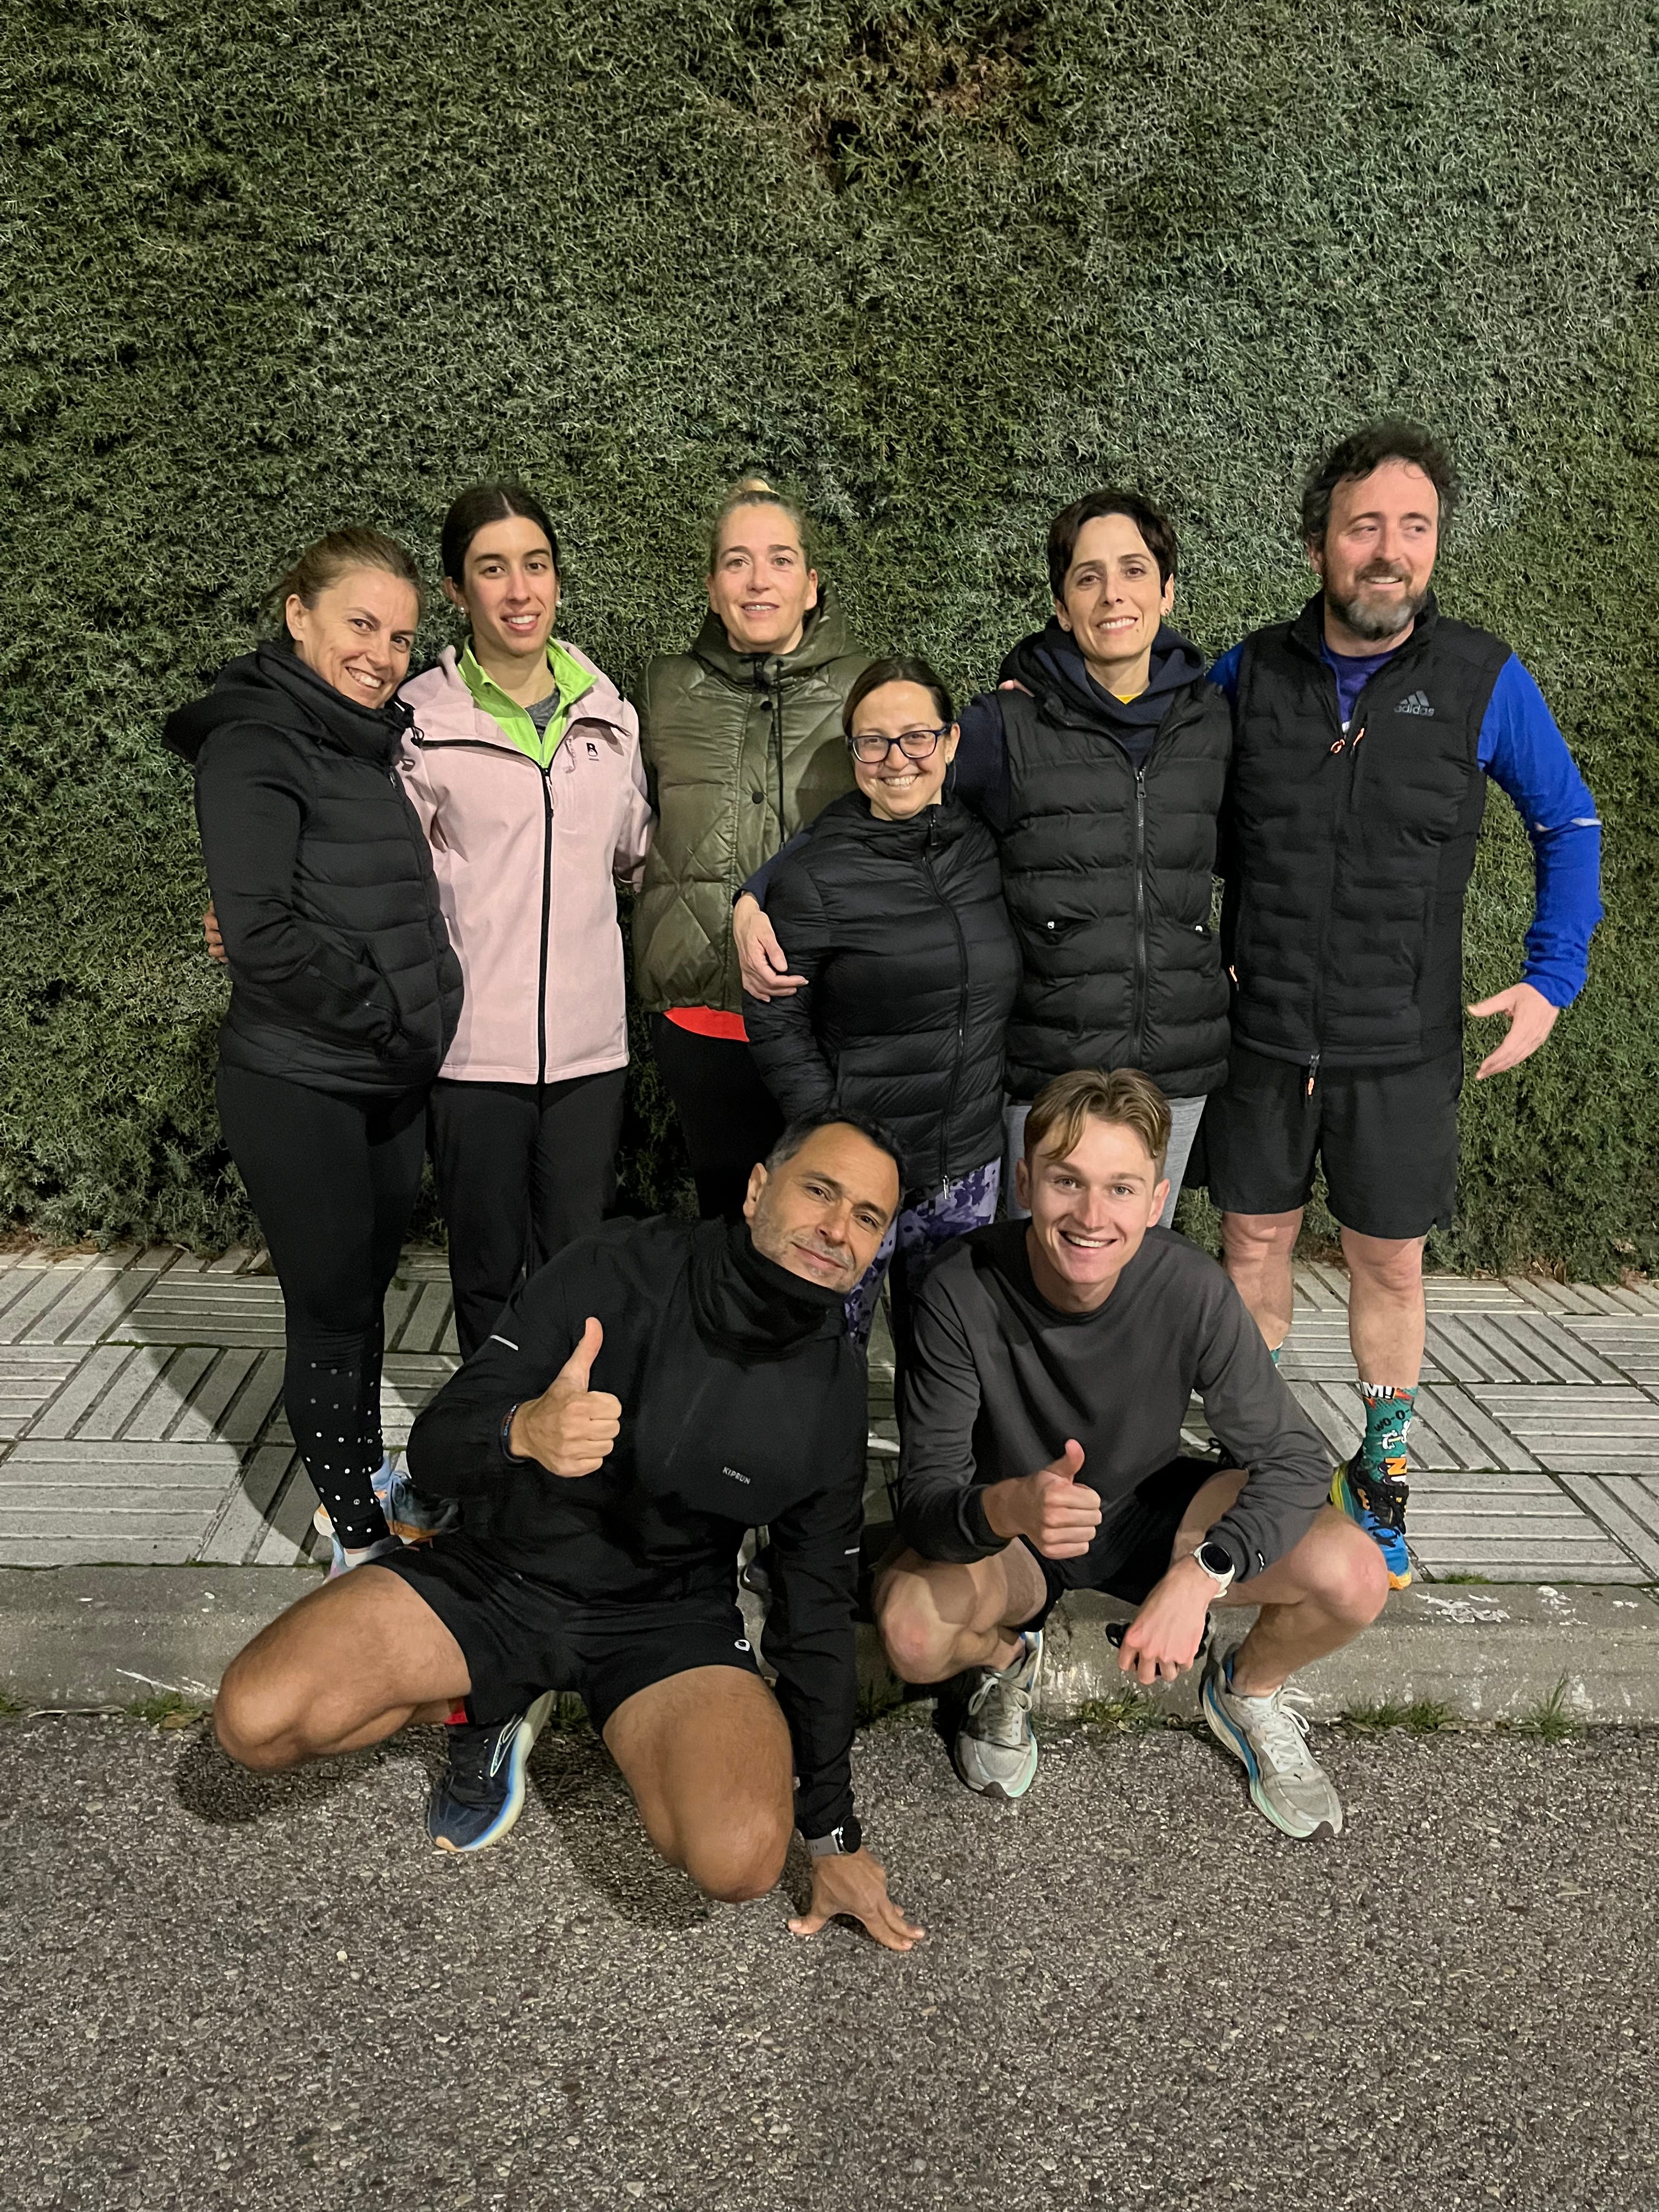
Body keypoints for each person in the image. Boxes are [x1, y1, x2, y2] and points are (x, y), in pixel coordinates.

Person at [212, 1113, 926, 1951]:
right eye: (820, 1191)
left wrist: (832, 1834)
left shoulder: (834, 1391)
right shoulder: (617, 1265)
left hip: (665, 1623)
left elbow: (817, 1609)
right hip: (500, 1577)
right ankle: (489, 1702)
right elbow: (437, 1447)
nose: (837, 1229)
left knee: (742, 1860)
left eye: (867, 1217)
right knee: (255, 1721)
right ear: (758, 1189)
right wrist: (521, 1430)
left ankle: (544, 1703)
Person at [1205, 422, 1603, 1589]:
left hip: (1400, 1044)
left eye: (1413, 527)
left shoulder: (1483, 677)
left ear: (1435, 544)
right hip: (1260, 1037)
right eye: (1363, 526)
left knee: (1388, 1264)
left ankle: (1379, 1478)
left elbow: (1568, 822)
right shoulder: (1248, 672)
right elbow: (1145, 777)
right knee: (1251, 1246)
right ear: (1318, 542)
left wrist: (1552, 977)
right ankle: (1254, 1461)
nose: (1388, 550)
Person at [875, 1068, 1389, 1840]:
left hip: (1154, 1508)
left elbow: (1293, 1459)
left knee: (1357, 1575)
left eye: (1120, 1189)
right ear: (1024, 1182)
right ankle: (1007, 1660)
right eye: (1067, 1182)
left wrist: (1204, 1573)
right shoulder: (959, 1288)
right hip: (1018, 1530)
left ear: (1156, 1200)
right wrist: (1010, 1504)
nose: (1092, 1216)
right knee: (911, 1634)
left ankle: (1248, 1690)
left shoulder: (1191, 1287)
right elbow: (925, 1501)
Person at [736, 489, 1231, 1229]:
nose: (1113, 594)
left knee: (1136, 1267)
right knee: (1031, 1273)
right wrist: (755, 891)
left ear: (1167, 591)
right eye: (1088, 577)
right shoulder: (1005, 726)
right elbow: (891, 792)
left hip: (1176, 1066)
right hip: (1048, 1067)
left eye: (1134, 570)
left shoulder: (1211, 720)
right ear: (1061, 606)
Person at [165, 530, 464, 1575]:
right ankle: (355, 1536)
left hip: (381, 1078)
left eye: (401, 636)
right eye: (360, 625)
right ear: (298, 615)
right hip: (301, 1083)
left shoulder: (358, 740)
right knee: (330, 1316)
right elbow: (259, 934)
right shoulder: (254, 741)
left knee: (361, 1296)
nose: (382, 654)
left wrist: (408, 1027)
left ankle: (366, 1480)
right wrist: (386, 1012)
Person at [398, 483, 652, 1358]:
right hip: (472, 1056)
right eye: (492, 569)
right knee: (484, 1272)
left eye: (535, 565)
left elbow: (642, 854)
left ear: (557, 578)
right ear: (456, 589)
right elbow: (377, 872)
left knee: (576, 1264)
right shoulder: (422, 722)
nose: (519, 591)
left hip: (589, 1053)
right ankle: (491, 1427)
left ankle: (567, 1430)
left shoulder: (607, 711)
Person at [743, 657, 1020, 1352]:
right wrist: (831, 1133)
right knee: (826, 1353)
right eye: (873, 742)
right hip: (853, 1181)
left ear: (951, 743)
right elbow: (776, 1019)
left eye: (917, 737)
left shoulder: (984, 846)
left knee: (947, 1358)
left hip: (965, 1168)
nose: (896, 760)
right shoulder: (817, 873)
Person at [634, 479, 869, 1220]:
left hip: (829, 1010)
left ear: (811, 585)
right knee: (726, 1219)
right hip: (704, 1016)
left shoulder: (866, 690)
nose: (759, 580)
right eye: (738, 561)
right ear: (712, 587)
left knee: (825, 1223)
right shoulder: (663, 690)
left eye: (780, 559)